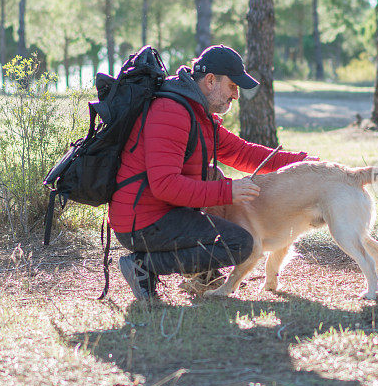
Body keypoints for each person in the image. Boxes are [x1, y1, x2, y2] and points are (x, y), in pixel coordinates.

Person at [109, 44, 316, 300]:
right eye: (232, 86)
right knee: (241, 244)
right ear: (209, 81)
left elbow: (245, 153)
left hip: (164, 212)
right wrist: (228, 192)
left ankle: (201, 271)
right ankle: (144, 266)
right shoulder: (171, 112)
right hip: (141, 222)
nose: (236, 95)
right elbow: (165, 185)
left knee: (212, 173)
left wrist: (304, 163)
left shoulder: (196, 113)